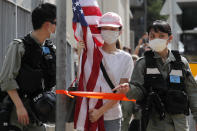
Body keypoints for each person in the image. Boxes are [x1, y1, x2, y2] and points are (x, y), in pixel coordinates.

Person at [114, 20, 197, 131]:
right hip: (153, 125)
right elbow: (138, 91)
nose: (156, 39)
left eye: (161, 36)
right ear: (148, 38)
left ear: (170, 38)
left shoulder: (181, 62)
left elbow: (192, 93)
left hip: (179, 125)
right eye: (153, 36)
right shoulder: (142, 63)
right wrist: (128, 89)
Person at [0, 3, 56, 131]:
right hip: (17, 113)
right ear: (47, 25)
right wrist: (19, 107)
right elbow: (6, 79)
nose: (56, 27)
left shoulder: (51, 49)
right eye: (55, 23)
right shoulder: (19, 46)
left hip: (38, 114)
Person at [75, 12, 134, 131]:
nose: (109, 31)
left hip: (112, 118)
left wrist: (100, 111)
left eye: (113, 29)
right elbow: (81, 81)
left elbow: (122, 92)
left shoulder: (126, 58)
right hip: (89, 114)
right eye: (105, 28)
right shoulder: (91, 55)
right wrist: (81, 53)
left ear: (120, 31)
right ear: (100, 30)